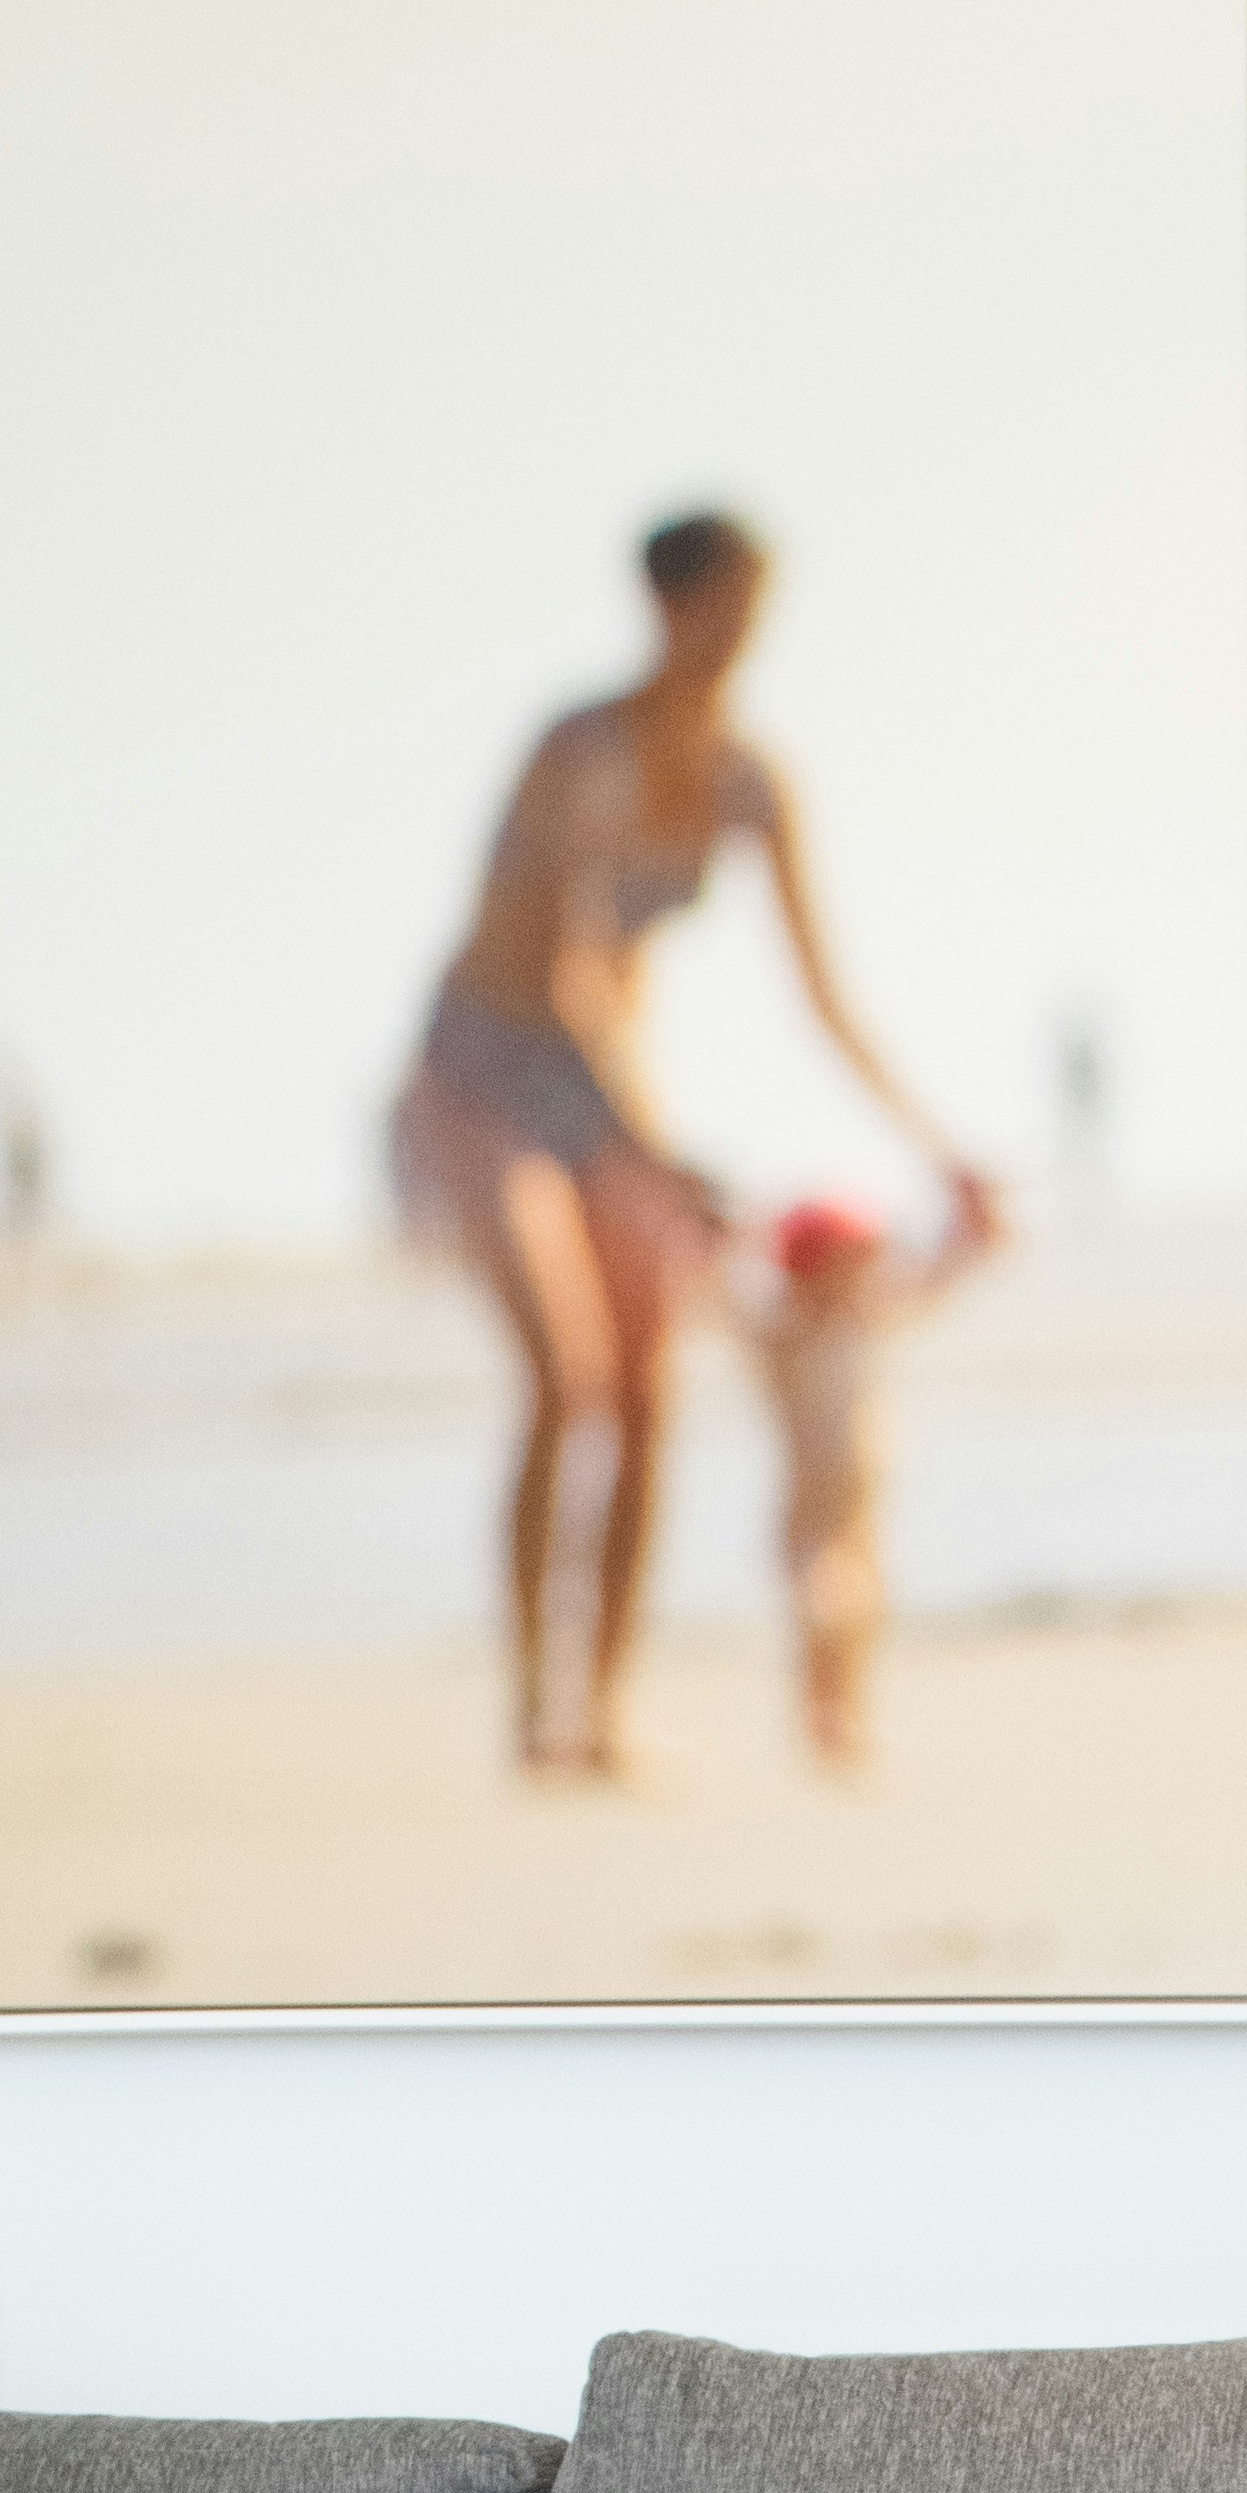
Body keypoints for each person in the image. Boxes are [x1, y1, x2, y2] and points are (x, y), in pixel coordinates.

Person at [389, 505, 989, 1783]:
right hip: (486, 1067)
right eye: (718, 608)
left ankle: (600, 1707)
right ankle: (529, 1708)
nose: (735, 636)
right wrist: (647, 1149)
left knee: (650, 1388)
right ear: (665, 607)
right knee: (568, 1375)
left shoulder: (747, 781)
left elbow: (824, 993)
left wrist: (942, 1148)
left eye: (751, 612)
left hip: (611, 1083)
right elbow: (559, 971)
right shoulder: (577, 750)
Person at [739, 1174, 1001, 1768]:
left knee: (866, 1600)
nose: (871, 1269)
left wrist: (971, 1230)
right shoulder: (787, 1330)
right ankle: (825, 1715)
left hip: (861, 1488)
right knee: (829, 1595)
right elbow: (720, 1298)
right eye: (857, 1259)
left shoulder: (859, 1315)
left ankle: (842, 1719)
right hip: (812, 1490)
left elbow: (942, 1276)